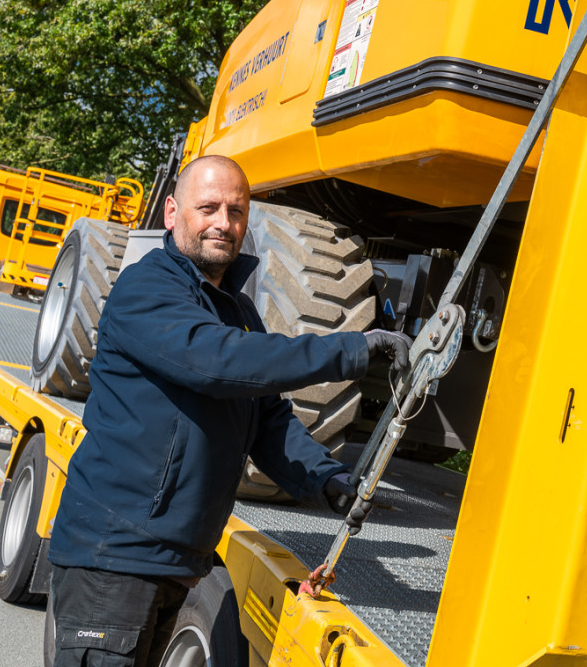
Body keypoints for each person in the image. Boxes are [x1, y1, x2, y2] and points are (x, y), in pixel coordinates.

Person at [47, 154, 411, 667]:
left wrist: (327, 480)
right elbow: (218, 363)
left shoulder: (237, 310)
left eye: (236, 211)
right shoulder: (146, 289)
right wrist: (354, 348)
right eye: (208, 208)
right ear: (172, 212)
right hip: (113, 559)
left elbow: (267, 419)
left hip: (174, 563)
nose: (223, 222)